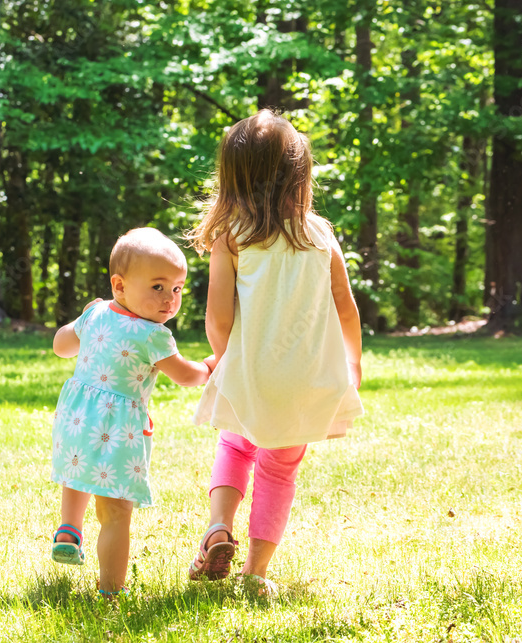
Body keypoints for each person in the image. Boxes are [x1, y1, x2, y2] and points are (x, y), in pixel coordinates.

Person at [186, 110, 364, 595]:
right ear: (298, 176)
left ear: (234, 178)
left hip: (252, 373)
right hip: (306, 380)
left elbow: (218, 317)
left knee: (236, 444)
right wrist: (353, 365)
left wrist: (226, 359)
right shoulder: (320, 236)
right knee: (280, 469)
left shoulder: (233, 238)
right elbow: (346, 311)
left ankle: (219, 527)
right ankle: (256, 572)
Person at [50, 227, 211, 597]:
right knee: (116, 513)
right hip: (116, 427)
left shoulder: (96, 313)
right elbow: (187, 377)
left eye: (177, 288)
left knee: (77, 471)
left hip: (75, 416)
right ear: (119, 286)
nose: (170, 299)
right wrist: (210, 364)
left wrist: (83, 319)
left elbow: (61, 346)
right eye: (157, 287)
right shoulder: (153, 335)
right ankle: (109, 591)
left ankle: (69, 529)